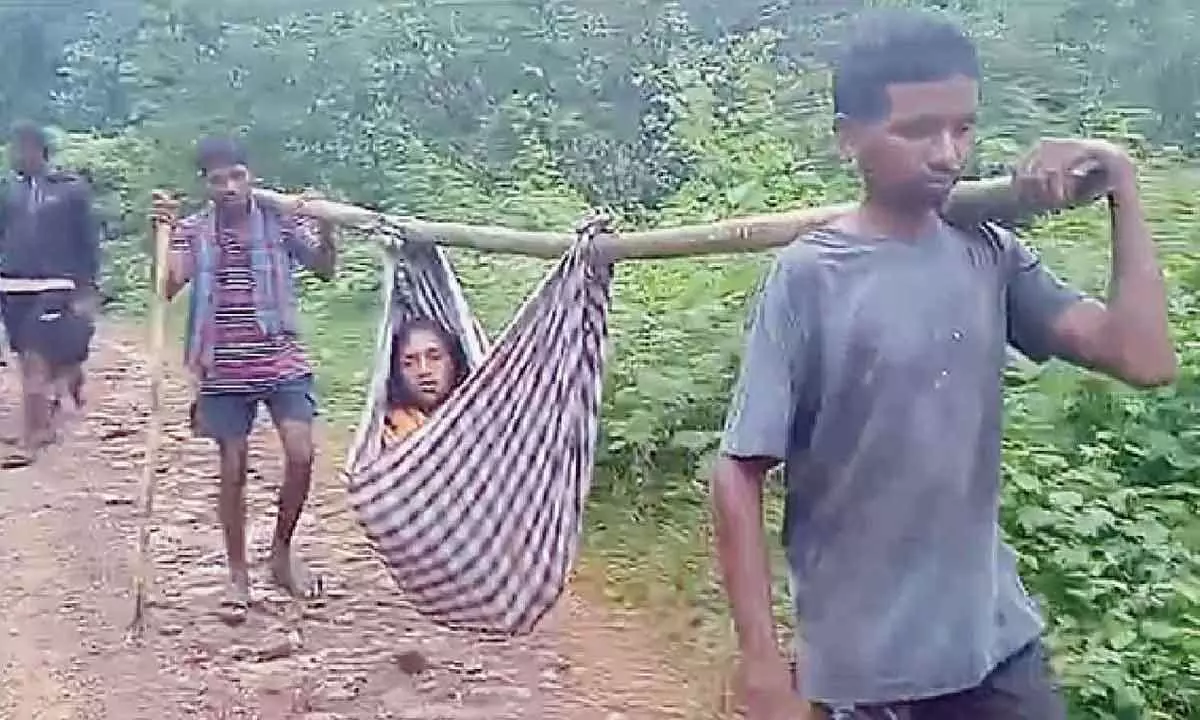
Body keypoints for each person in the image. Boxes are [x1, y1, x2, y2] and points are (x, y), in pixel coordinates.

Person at [712, 10, 1174, 720]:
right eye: (916, 129)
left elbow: (1143, 358)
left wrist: (1123, 184)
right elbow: (738, 473)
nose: (946, 153)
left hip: (996, 651)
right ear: (847, 138)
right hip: (868, 672)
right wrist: (763, 662)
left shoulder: (990, 254)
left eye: (963, 127)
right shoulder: (810, 278)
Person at [154, 135, 339, 621]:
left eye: (238, 176)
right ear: (206, 185)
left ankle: (280, 553)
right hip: (223, 366)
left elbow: (323, 270)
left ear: (250, 175)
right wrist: (162, 233)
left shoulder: (281, 219)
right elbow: (167, 287)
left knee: (302, 454)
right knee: (232, 469)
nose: (231, 187)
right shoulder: (194, 230)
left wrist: (326, 223)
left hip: (280, 358)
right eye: (219, 180)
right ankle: (237, 574)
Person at [0, 122, 100, 464]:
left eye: (25, 148)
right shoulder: (8, 192)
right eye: (15, 148)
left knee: (34, 360)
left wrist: (86, 288)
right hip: (12, 287)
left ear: (42, 152)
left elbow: (88, 241)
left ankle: (34, 435)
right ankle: (53, 400)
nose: (18, 154)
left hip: (56, 285)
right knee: (30, 357)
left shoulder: (71, 191)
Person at [381, 316, 468, 447]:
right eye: (409, 363)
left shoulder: (477, 418)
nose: (424, 370)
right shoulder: (387, 429)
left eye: (434, 357)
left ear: (454, 362)